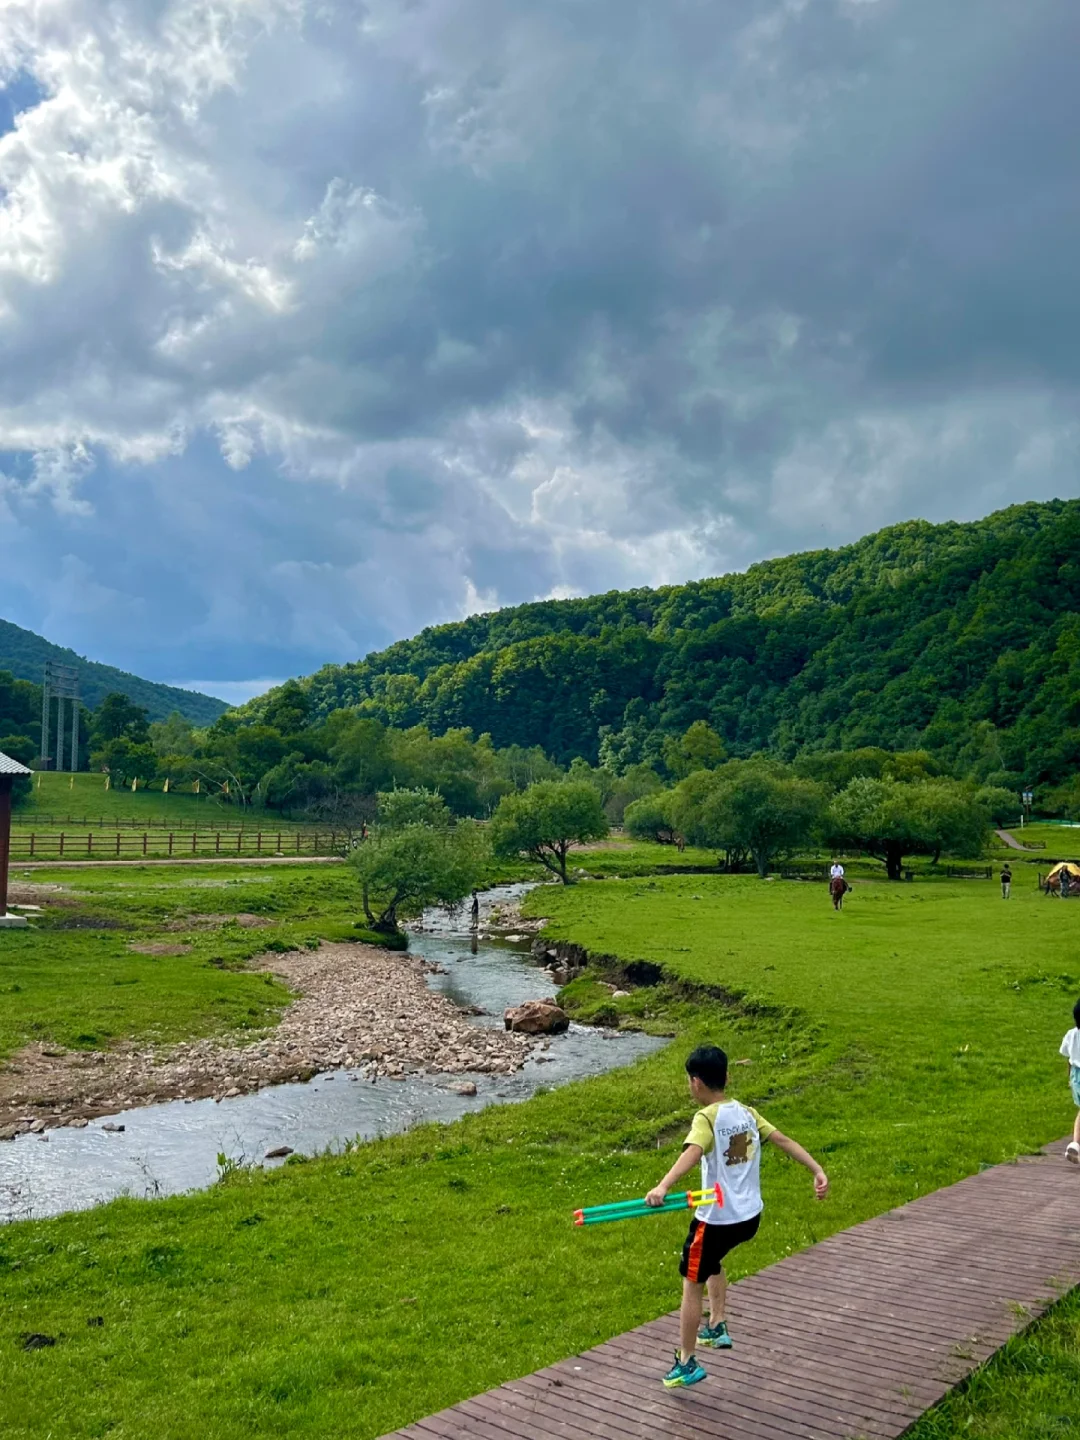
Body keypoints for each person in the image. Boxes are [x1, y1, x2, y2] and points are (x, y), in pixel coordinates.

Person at [646, 1045, 829, 1389]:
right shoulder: (746, 1113)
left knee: (691, 1281)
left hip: (716, 1219)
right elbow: (783, 1139)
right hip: (749, 1218)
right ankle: (717, 1325)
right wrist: (817, 1169)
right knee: (712, 1261)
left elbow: (694, 1151)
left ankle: (686, 1362)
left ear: (695, 1083)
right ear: (727, 1077)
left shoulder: (706, 1118)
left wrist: (662, 1186)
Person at [1061, 999, 1080, 1166]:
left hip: (1076, 1075)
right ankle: (1074, 1143)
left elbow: (1068, 1058)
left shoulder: (1071, 1034)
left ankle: (1075, 1144)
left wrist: (1069, 1078)